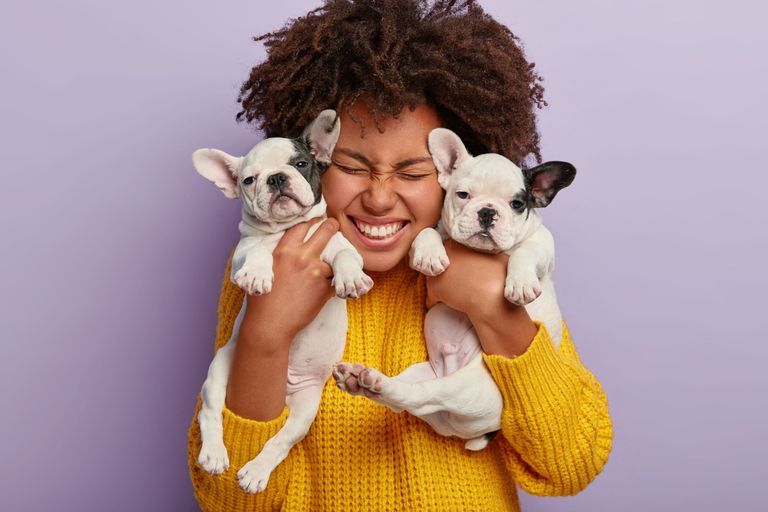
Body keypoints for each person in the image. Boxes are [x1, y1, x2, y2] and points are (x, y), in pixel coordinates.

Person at [187, 1, 613, 510]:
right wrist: (265, 335)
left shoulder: (505, 264)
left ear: (456, 169)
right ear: (315, 158)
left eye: (413, 173)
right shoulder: (269, 266)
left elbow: (571, 464)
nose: (381, 197)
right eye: (352, 165)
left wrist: (497, 314)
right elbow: (232, 501)